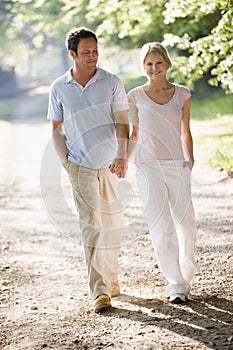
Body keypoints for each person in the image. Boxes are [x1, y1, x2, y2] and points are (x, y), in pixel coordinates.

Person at [47, 27, 129, 312]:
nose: (93, 56)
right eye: (86, 52)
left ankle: (112, 280)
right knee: (91, 226)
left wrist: (122, 156)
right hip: (79, 165)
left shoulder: (111, 82)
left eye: (95, 51)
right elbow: (56, 129)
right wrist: (65, 162)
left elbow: (122, 122)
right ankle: (100, 291)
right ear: (72, 54)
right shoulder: (59, 87)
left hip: (110, 164)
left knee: (112, 225)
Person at [128, 42, 197, 304]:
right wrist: (124, 159)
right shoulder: (134, 95)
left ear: (167, 64)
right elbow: (134, 133)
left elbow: (185, 131)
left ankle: (186, 274)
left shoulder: (182, 94)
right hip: (147, 166)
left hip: (177, 164)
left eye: (158, 63)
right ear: (143, 66)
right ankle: (176, 284)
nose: (154, 68)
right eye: (148, 64)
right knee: (160, 224)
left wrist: (190, 157)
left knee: (186, 223)